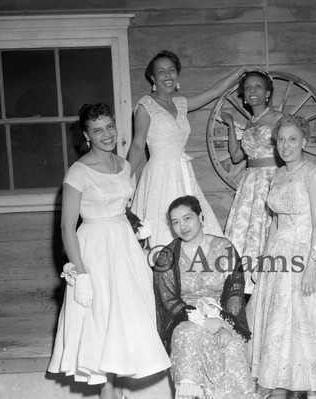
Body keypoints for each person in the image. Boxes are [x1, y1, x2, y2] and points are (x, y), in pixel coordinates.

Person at [48, 103, 171, 399]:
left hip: (123, 247)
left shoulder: (124, 165)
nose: (106, 134)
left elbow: (122, 206)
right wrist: (81, 273)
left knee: (124, 317)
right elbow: (67, 228)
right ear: (86, 136)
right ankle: (108, 392)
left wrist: (137, 230)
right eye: (97, 130)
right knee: (101, 318)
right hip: (94, 248)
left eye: (110, 126)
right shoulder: (77, 172)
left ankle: (116, 389)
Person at [248, 115, 316, 398]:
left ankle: (311, 391)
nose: (285, 145)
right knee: (280, 326)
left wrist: (311, 268)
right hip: (279, 256)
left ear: (304, 142)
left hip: (306, 253)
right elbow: (274, 222)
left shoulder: (314, 175)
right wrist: (266, 261)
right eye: (281, 139)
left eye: (292, 139)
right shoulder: (279, 174)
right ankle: (284, 386)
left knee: (307, 327)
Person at [127, 50, 251, 249]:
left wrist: (241, 71)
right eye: (161, 71)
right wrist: (122, 183)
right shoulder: (145, 106)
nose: (167, 75)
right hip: (159, 176)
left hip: (184, 173)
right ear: (153, 77)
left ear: (177, 74)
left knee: (194, 226)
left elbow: (214, 92)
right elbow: (137, 145)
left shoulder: (180, 103)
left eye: (171, 70)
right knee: (162, 233)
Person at [152, 195, 259, 399]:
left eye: (187, 218)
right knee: (187, 337)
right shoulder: (167, 256)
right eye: (175, 222)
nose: (182, 226)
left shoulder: (224, 248)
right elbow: (169, 300)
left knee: (232, 345)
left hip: (222, 316)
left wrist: (225, 325)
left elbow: (235, 289)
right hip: (185, 319)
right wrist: (201, 321)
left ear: (201, 217)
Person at [221, 70, 283, 294]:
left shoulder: (278, 118)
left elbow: (289, 150)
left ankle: (268, 285)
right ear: (244, 96)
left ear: (267, 93)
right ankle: (245, 289)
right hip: (250, 184)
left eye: (258, 87)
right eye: (248, 88)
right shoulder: (249, 123)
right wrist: (231, 127)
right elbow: (237, 156)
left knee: (266, 230)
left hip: (270, 179)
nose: (253, 91)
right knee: (244, 234)